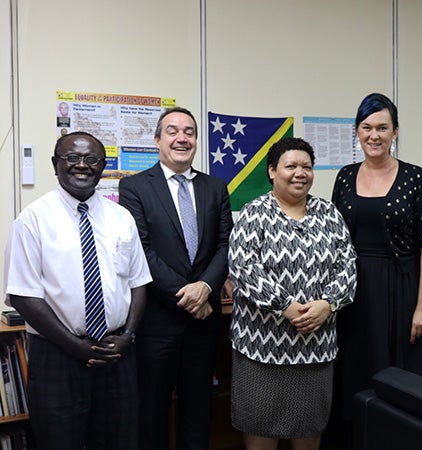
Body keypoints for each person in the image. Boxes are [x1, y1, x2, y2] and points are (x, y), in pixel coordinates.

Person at [4, 131, 151, 450]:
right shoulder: (33, 219)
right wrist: (75, 346)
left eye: (91, 159)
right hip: (57, 356)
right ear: (55, 164)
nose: (81, 165)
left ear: (103, 166)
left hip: (116, 354)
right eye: (72, 158)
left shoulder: (121, 217)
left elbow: (138, 283)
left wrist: (127, 335)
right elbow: (23, 296)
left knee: (120, 440)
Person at [228, 137, 356, 450]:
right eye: (291, 166)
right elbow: (244, 268)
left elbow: (347, 265)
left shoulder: (329, 213)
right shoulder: (253, 213)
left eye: (306, 167)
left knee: (309, 429)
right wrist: (285, 306)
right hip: (261, 350)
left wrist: (328, 304)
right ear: (272, 171)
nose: (300, 173)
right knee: (260, 429)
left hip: (315, 349)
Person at [118, 107, 234, 450]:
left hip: (205, 323)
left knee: (198, 409)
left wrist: (206, 287)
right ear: (157, 140)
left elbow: (226, 244)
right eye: (172, 131)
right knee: (151, 410)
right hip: (157, 321)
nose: (182, 138)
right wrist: (187, 296)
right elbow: (141, 250)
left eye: (189, 132)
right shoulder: (135, 187)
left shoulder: (215, 187)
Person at [331, 93, 422, 441]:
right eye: (366, 127)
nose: (373, 135)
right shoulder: (345, 177)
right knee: (354, 372)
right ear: (357, 132)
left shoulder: (415, 177)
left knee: (399, 379)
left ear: (395, 132)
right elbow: (333, 238)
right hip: (352, 292)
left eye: (382, 127)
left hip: (401, 290)